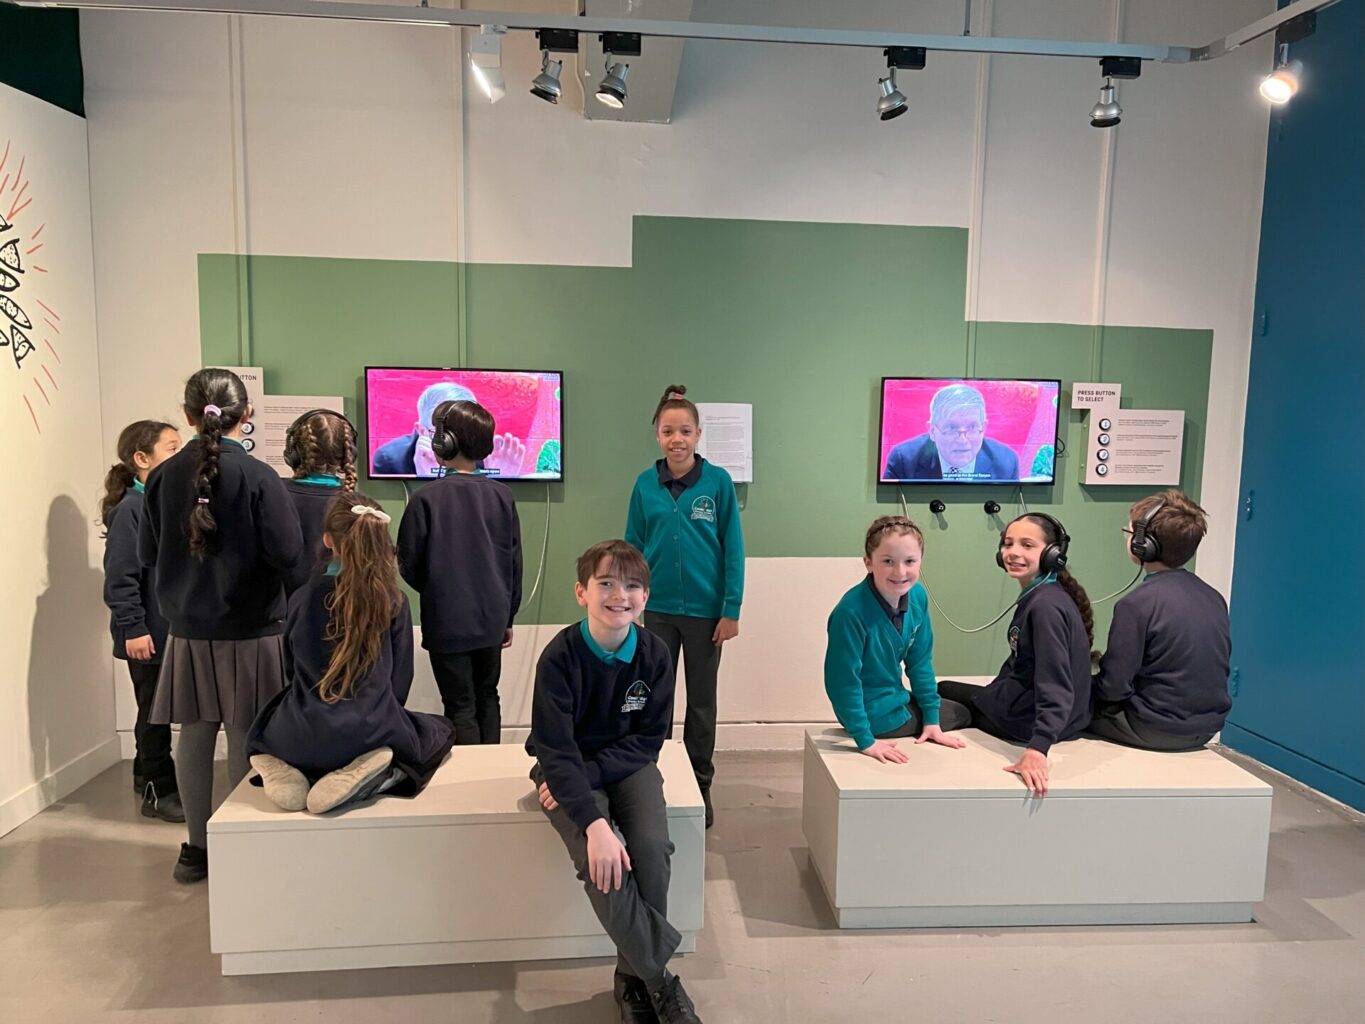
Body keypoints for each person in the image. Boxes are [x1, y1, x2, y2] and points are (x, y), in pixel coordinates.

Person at [527, 539, 702, 1024]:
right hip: (565, 768)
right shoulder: (559, 657)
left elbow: (648, 739)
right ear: (581, 592)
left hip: (626, 764)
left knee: (652, 849)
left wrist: (592, 774)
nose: (619, 595)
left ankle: (630, 976)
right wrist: (593, 824)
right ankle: (657, 982)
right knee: (602, 863)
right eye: (605, 583)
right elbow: (555, 750)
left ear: (646, 596)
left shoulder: (655, 654)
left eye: (632, 585)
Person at [139, 368, 303, 882]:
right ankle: (240, 850)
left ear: (188, 416)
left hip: (187, 630)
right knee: (244, 733)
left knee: (194, 732)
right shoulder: (260, 477)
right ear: (245, 414)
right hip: (252, 630)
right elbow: (289, 554)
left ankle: (196, 849)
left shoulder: (162, 477)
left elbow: (148, 554)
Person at [247, 494, 454, 814]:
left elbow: (292, 669)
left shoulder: (301, 598)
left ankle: (287, 766)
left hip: (298, 735)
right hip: (369, 732)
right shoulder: (393, 600)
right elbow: (400, 682)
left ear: (328, 539)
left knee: (268, 723)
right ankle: (378, 774)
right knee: (441, 729)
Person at [625, 384, 744, 829]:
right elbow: (633, 547)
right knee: (654, 699)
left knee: (701, 704)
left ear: (698, 434)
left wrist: (730, 609)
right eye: (668, 431)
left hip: (706, 616)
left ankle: (699, 783)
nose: (677, 439)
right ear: (657, 434)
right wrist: (629, 603)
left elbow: (733, 549)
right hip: (657, 612)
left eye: (685, 431)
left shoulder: (718, 483)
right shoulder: (644, 484)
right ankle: (650, 779)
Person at [938, 513, 1094, 796]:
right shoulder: (1047, 594)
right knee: (947, 689)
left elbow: (1054, 682)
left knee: (942, 692)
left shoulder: (1044, 607)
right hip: (1061, 718)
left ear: (1053, 553)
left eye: (1027, 545)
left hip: (1029, 722)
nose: (1013, 552)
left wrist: (1038, 747)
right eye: (1008, 544)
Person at [397, 399, 521, 744]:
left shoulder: (425, 499)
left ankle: (470, 774)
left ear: (444, 442)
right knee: (488, 697)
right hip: (492, 619)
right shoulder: (503, 496)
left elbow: (407, 563)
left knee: (459, 705)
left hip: (446, 621)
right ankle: (491, 770)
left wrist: (438, 589)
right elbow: (513, 562)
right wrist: (508, 615)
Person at [1089, 490, 1232, 751]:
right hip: (1206, 728)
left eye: (1129, 532)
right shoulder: (1214, 597)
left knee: (1069, 702)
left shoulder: (1135, 604)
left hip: (1153, 728)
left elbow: (1113, 688)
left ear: (1143, 544)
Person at [824, 516, 971, 763]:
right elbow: (842, 682)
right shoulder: (850, 613)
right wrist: (865, 739)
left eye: (909, 561)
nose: (900, 572)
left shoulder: (918, 596)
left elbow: (920, 661)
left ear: (921, 560)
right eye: (888, 561)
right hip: (871, 714)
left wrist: (932, 721)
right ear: (868, 563)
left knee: (949, 696)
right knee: (964, 712)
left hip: (894, 696)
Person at [100, 419, 184, 823]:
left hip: (164, 630)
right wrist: (134, 627)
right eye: (172, 448)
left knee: (154, 708)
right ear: (141, 458)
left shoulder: (157, 503)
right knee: (155, 713)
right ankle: (158, 790)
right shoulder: (131, 510)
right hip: (147, 634)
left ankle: (142, 774)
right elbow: (121, 576)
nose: (180, 455)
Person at [371, 380, 525, 478]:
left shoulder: (491, 455)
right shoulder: (390, 459)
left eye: (465, 430)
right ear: (421, 430)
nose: (458, 442)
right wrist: (426, 478)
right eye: (446, 432)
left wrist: (500, 477)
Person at [280, 408, 358, 594]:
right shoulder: (358, 505)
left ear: (294, 452)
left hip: (283, 604)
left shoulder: (275, 493)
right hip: (337, 603)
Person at [883, 382, 1020, 482]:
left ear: (983, 428)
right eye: (951, 428)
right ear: (932, 431)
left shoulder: (1006, 462)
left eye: (972, 427)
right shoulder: (904, 460)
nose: (962, 440)